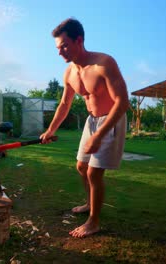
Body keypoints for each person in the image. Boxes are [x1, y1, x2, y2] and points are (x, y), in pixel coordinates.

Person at [40, 18, 129, 238]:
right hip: (92, 121)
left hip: (111, 120)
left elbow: (122, 101)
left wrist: (99, 135)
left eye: (64, 46)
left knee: (93, 173)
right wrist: (51, 130)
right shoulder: (69, 73)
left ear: (79, 40)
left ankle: (94, 222)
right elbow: (64, 104)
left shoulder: (104, 63)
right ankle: (90, 204)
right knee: (81, 167)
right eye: (58, 48)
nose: (60, 52)